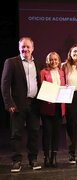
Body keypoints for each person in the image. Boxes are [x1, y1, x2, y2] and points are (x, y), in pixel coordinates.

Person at [1, 37, 42, 172]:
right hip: (17, 104)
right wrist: (9, 103)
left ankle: (33, 159)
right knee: (16, 133)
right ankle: (16, 161)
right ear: (19, 48)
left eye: (28, 47)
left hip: (34, 104)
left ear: (33, 48)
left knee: (34, 132)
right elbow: (5, 85)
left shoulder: (38, 63)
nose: (25, 49)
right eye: (23, 47)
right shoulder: (11, 62)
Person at [40, 52, 65, 167]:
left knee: (56, 133)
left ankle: (54, 156)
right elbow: (41, 88)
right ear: (48, 61)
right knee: (47, 133)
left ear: (59, 61)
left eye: (56, 60)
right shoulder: (43, 72)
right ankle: (46, 156)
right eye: (51, 60)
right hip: (47, 106)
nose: (54, 62)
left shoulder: (61, 72)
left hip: (59, 106)